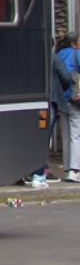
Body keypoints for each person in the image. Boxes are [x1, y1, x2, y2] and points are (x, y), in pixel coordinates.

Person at [55, 33, 80, 183]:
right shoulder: (77, 54)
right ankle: (74, 170)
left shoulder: (58, 54)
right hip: (74, 99)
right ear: (73, 43)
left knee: (66, 134)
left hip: (60, 99)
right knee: (76, 135)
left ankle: (67, 168)